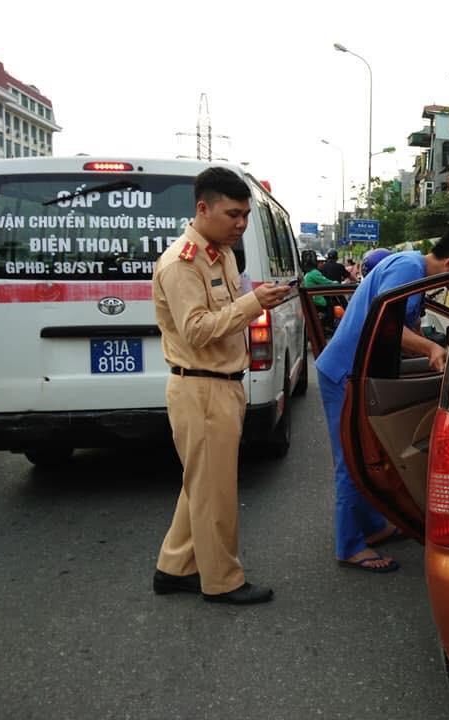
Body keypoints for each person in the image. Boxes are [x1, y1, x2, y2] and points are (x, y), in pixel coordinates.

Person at [151, 167, 290, 605]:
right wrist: (253, 304)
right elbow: (196, 331)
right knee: (217, 491)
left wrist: (252, 301)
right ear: (202, 208)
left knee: (202, 485)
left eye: (246, 215)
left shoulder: (222, 254)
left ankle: (174, 567)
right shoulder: (182, 262)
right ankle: (223, 581)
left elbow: (223, 316)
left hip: (222, 384)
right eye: (233, 214)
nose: (241, 224)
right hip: (201, 388)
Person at [316, 229, 449, 573]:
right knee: (352, 457)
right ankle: (349, 545)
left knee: (371, 450)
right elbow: (382, 325)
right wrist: (431, 349)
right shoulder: (408, 268)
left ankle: (374, 526)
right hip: (345, 372)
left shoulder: (414, 273)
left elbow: (408, 329)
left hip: (360, 370)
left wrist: (435, 352)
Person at [302, 249, 338, 332]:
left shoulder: (308, 273)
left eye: (323, 262)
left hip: (311, 299)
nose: (322, 264)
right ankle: (328, 326)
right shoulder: (314, 273)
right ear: (315, 263)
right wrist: (337, 283)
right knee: (329, 304)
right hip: (317, 300)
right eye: (320, 262)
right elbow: (327, 283)